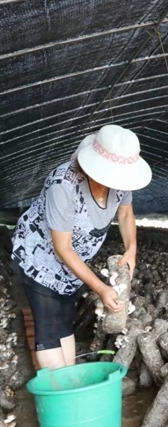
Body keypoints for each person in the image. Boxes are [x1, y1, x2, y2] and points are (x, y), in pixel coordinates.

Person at [11, 124, 152, 370]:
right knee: (49, 328)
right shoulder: (63, 185)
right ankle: (59, 386)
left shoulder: (121, 182)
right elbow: (62, 248)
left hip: (73, 263)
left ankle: (69, 378)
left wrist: (132, 249)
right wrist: (100, 288)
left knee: (65, 320)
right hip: (40, 258)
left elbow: (126, 214)